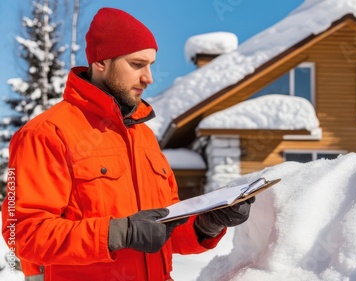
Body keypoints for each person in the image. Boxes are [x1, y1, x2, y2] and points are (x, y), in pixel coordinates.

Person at [1, 7, 254, 281]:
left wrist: (207, 224)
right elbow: (22, 234)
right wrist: (118, 233)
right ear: (100, 62)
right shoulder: (46, 133)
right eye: (137, 64)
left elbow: (165, 230)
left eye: (150, 65)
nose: (149, 78)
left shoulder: (142, 136)